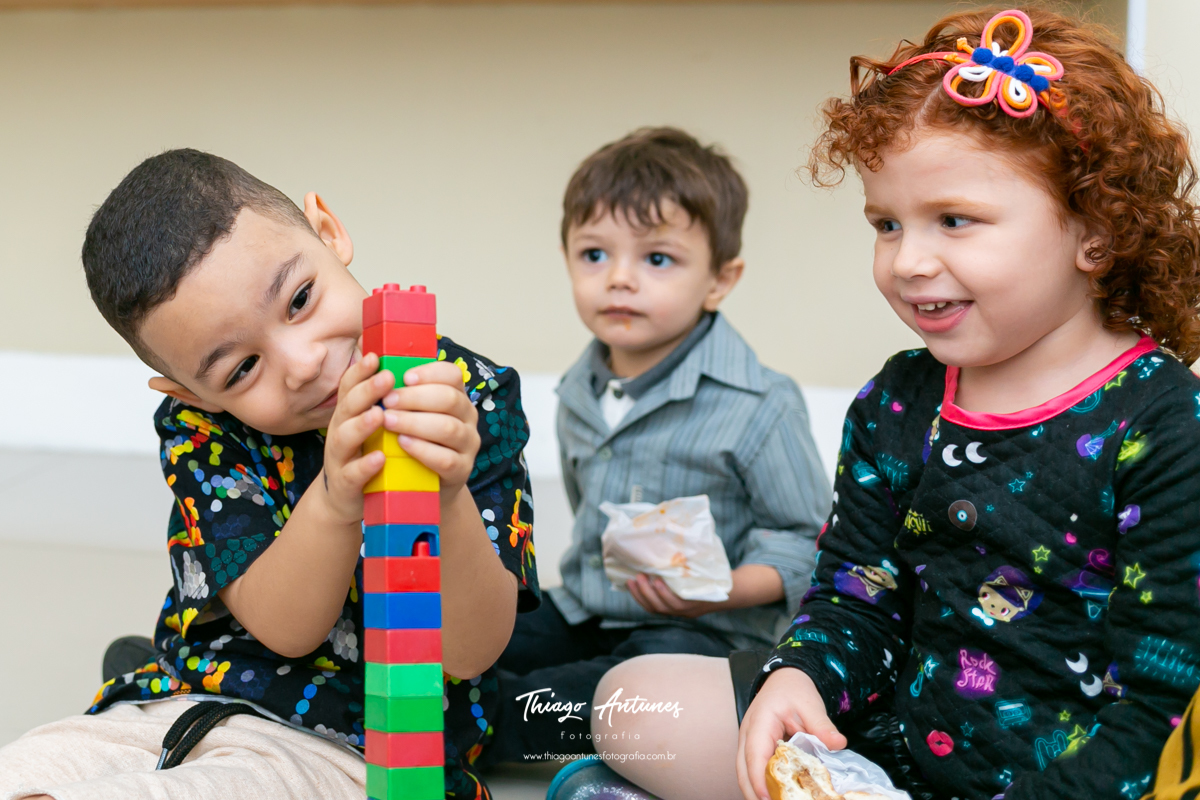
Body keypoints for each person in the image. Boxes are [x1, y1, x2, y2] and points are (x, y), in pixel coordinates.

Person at [587, 9, 1200, 800]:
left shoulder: (1164, 421)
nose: (908, 261)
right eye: (886, 223)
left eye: (955, 221)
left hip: (1072, 773)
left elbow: (1165, 695)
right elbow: (855, 594)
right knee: (633, 705)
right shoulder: (898, 400)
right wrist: (800, 677)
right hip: (893, 745)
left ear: (1095, 232)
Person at [0, 150, 538, 800]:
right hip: (180, 693)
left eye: (301, 300)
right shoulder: (203, 431)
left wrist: (446, 495)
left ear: (328, 233)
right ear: (192, 393)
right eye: (239, 370)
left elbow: (471, 650)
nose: (304, 364)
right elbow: (285, 628)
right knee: (31, 769)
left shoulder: (467, 397)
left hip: (355, 745)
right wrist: (338, 499)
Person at [480, 127, 830, 769]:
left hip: (698, 633)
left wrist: (717, 590)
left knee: (578, 706)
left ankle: (497, 727)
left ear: (720, 279)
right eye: (593, 255)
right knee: (468, 648)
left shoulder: (760, 403)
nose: (618, 279)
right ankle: (468, 713)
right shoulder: (580, 390)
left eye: (657, 259)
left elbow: (806, 547)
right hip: (586, 604)